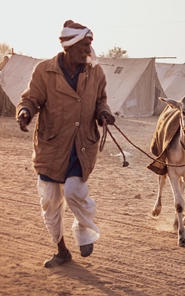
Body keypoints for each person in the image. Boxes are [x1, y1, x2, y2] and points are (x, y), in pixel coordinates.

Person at [16, 20, 115, 268]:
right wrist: (25, 112)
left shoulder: (96, 72)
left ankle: (84, 234)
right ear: (69, 46)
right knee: (50, 202)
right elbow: (31, 98)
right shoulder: (44, 71)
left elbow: (101, 101)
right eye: (84, 45)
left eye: (89, 45)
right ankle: (61, 250)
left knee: (74, 192)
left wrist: (104, 114)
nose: (88, 50)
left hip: (81, 146)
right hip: (52, 146)